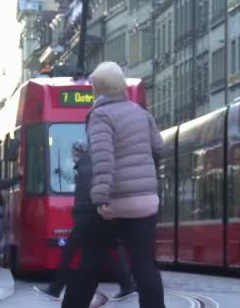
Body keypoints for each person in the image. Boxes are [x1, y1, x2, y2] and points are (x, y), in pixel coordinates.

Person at [62, 62, 165, 308]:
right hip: (146, 203)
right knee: (145, 265)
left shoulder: (100, 115)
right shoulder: (141, 113)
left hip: (115, 204)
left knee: (90, 263)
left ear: (98, 88)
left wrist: (101, 200)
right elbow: (159, 146)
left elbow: (102, 158)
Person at [35, 141, 136, 301]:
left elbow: (85, 196)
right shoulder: (93, 164)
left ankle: (55, 289)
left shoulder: (84, 169)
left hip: (86, 217)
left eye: (73, 155)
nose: (73, 159)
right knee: (110, 250)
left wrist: (78, 212)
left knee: (69, 252)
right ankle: (127, 285)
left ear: (77, 153)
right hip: (96, 216)